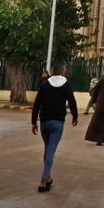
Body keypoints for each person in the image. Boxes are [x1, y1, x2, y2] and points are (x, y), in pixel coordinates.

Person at [32, 64, 79, 192]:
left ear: (52, 72)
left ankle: (48, 178)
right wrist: (75, 116)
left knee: (47, 149)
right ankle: (42, 180)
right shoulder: (66, 85)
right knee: (51, 150)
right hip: (58, 122)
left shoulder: (44, 85)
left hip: (44, 122)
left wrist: (33, 122)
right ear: (63, 72)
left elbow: (37, 104)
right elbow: (72, 102)